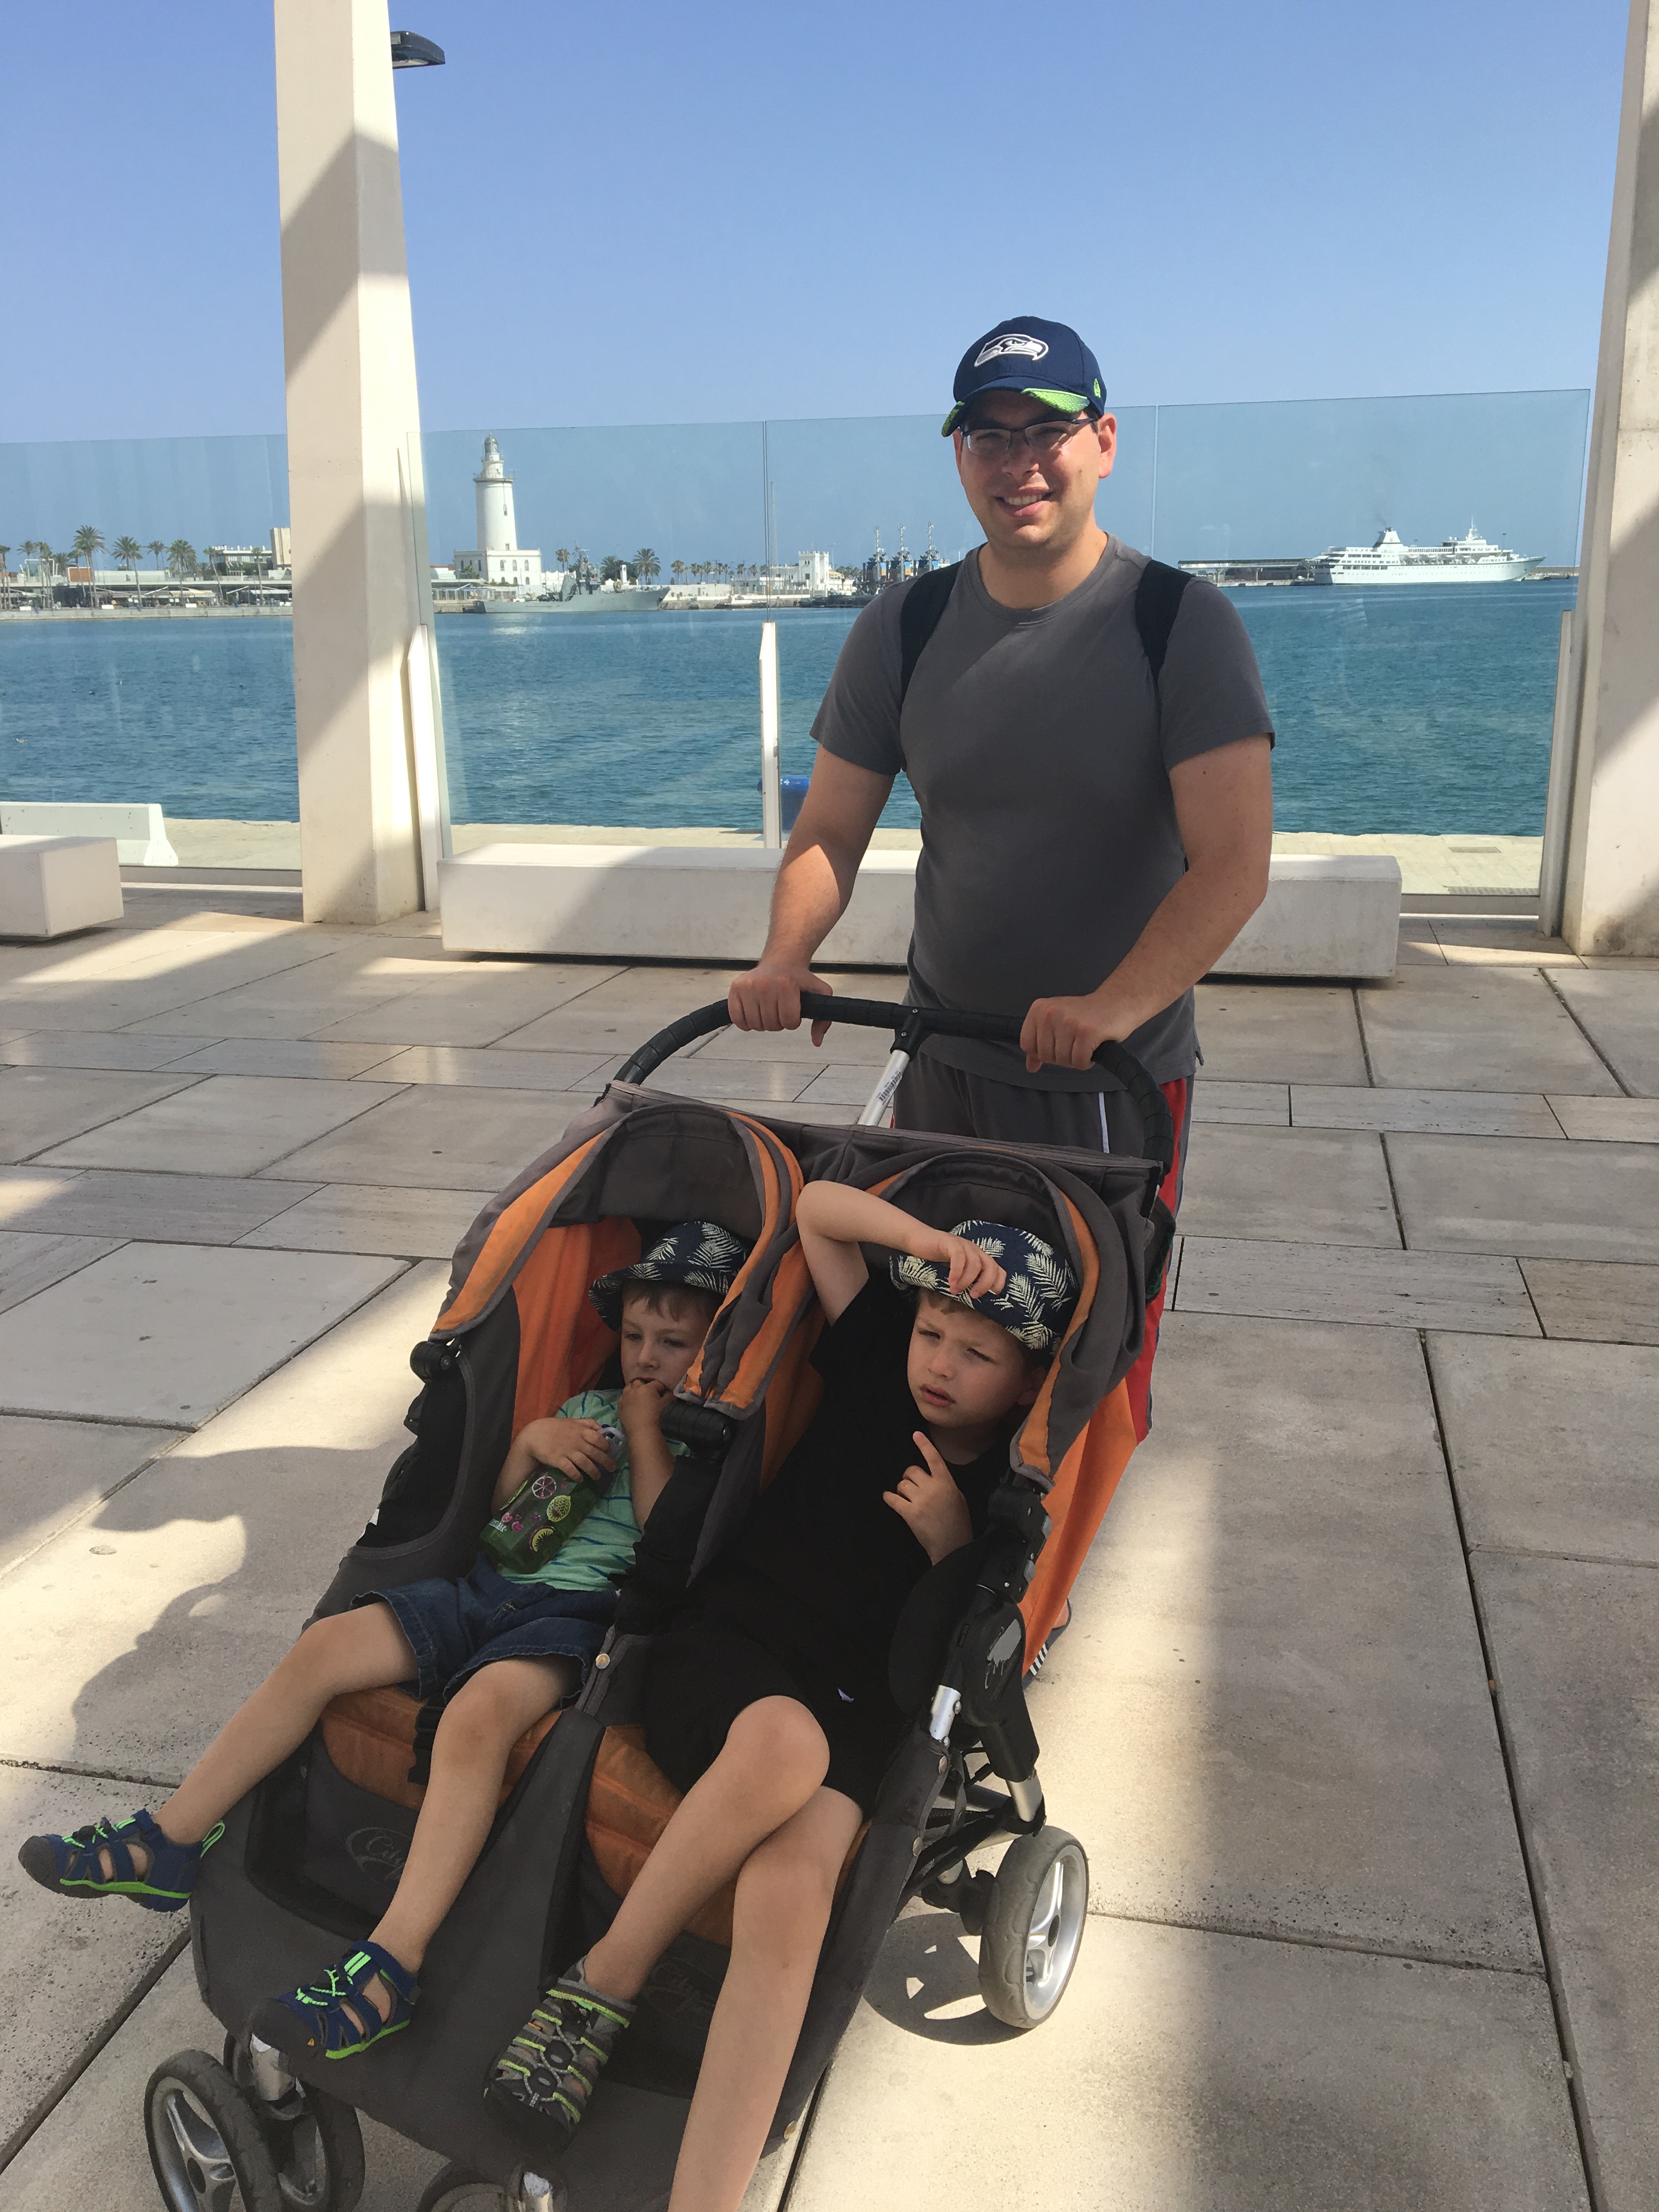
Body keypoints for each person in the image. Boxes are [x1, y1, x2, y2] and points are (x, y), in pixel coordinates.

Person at [18, 1220, 748, 2063]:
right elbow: (503, 1512)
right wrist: (529, 1443)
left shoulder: (696, 1442)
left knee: (477, 1717)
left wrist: (649, 1433)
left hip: (576, 1620)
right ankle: (169, 1838)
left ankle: (391, 1966)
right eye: (633, 1336)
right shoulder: (585, 1408)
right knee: (324, 1649)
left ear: (710, 1351)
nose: (646, 1358)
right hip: (486, 1587)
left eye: (672, 1343)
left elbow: (668, 1547)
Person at [727, 314, 1274, 1438]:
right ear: (959, 454)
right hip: (942, 1065)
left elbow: (1233, 863)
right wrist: (788, 955)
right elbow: (830, 828)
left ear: (1104, 442)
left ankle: (1060, 1537)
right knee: (939, 1343)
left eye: (1047, 431)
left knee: (1091, 1350)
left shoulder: (1180, 624)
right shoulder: (907, 624)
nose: (1019, 462)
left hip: (1113, 1081)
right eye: (990, 435)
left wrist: (1112, 1007)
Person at [486, 1180, 1078, 2212]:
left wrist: (950, 1544)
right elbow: (818, 1214)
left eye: (976, 1354)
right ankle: (601, 1984)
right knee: (784, 1746)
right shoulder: (874, 1365)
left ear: (1030, 1379)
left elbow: (957, 1651)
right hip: (731, 1652)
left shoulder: (1005, 1496)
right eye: (932, 1333)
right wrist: (923, 1242)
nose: (940, 1364)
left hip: (858, 1711)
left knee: (793, 1893)